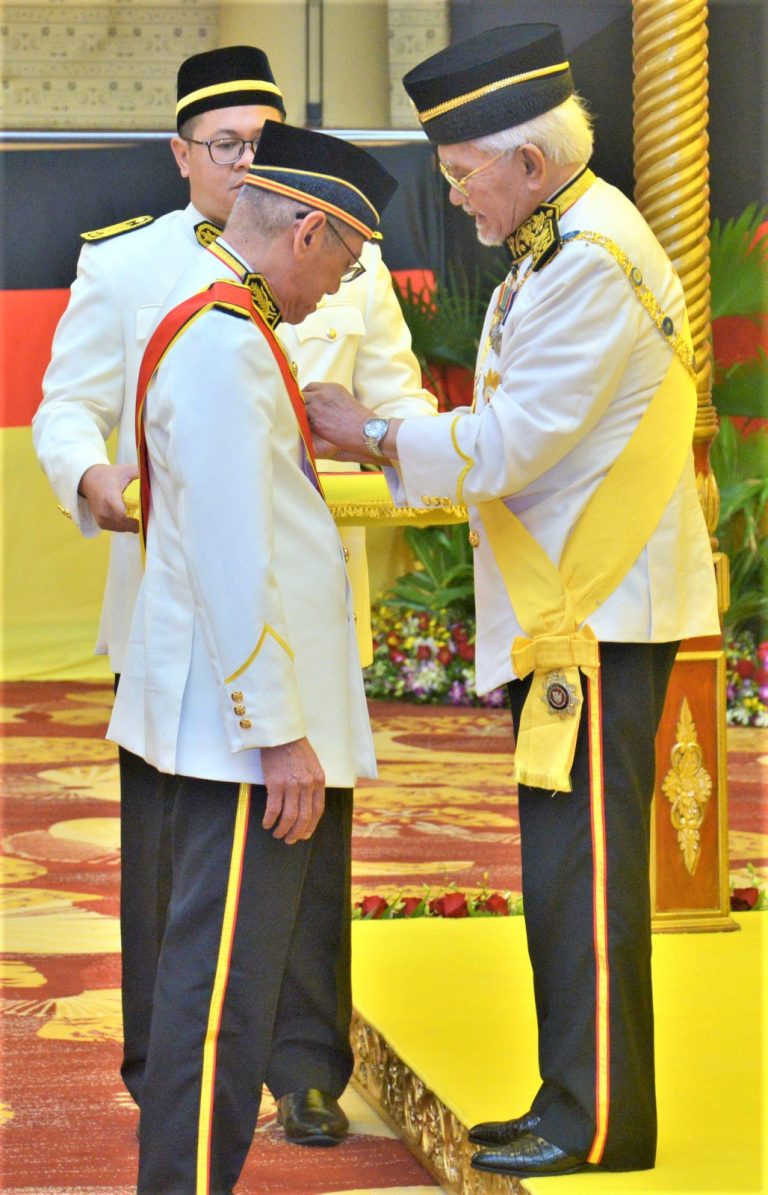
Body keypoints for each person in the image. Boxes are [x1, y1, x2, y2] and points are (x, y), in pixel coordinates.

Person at [304, 21, 721, 1179]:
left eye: (461, 170)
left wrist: (372, 432)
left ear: (528, 163)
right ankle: (571, 1098)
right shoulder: (559, 242)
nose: (453, 194)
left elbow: (511, 442)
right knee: (563, 874)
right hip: (578, 612)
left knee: (584, 877)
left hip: (598, 614)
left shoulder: (586, 258)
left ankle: (596, 1121)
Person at [33, 45, 435, 1146]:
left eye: (265, 141)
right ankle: (174, 1069)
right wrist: (91, 478)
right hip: (172, 613)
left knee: (300, 852)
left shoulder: (339, 252)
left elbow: (397, 402)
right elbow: (67, 406)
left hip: (293, 614)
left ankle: (303, 1063)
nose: (250, 161)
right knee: (182, 862)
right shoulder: (130, 264)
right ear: (182, 154)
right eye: (228, 144)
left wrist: (376, 431)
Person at [105, 118, 397, 1194]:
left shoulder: (223, 320)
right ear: (308, 231)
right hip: (240, 736)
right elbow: (235, 556)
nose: (339, 287)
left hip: (222, 719)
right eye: (346, 263)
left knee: (215, 979)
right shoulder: (228, 345)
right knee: (219, 993)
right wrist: (278, 732)